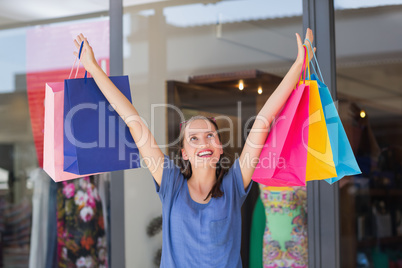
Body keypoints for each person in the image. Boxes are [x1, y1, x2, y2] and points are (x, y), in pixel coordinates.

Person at [73, 28, 316, 267]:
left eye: (210, 136)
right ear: (184, 153)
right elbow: (134, 122)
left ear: (220, 148)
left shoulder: (233, 184)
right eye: (194, 139)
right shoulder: (171, 184)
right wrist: (93, 68)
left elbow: (262, 123)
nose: (203, 143)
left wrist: (298, 67)